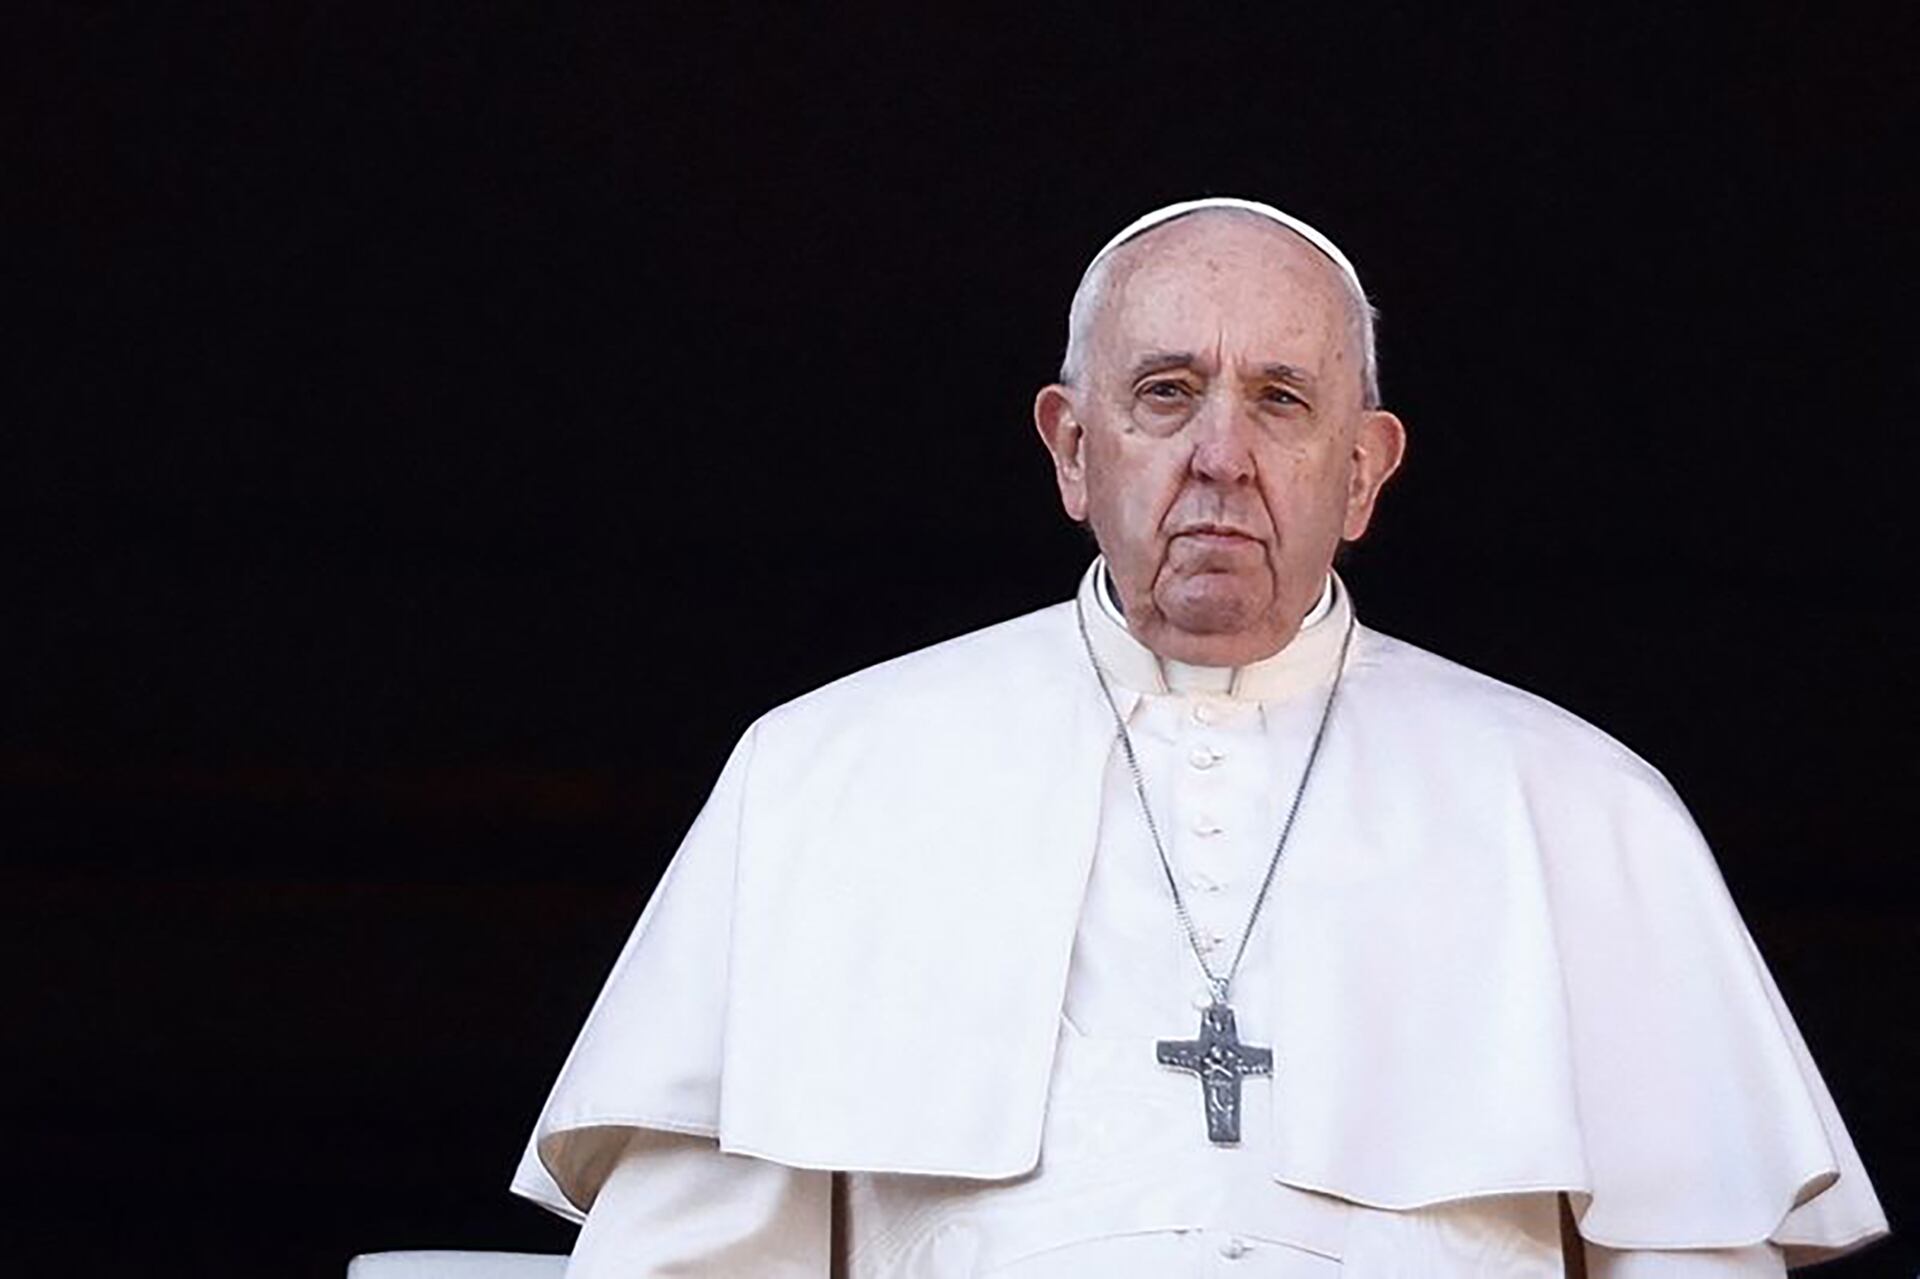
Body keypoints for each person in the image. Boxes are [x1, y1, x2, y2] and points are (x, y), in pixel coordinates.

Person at [510, 198, 1887, 1276]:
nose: (1221, 454)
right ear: (1069, 446)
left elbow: (1688, 1256)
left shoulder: (1581, 809)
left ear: (1363, 471)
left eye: (1282, 401)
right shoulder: (825, 779)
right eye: (1166, 392)